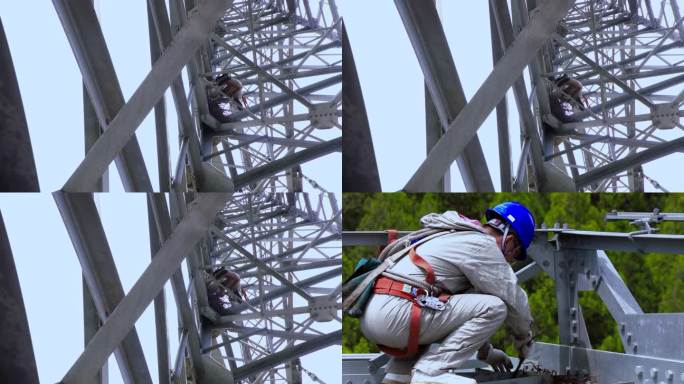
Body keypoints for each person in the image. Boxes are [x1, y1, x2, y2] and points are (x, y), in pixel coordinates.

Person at [358, 202, 536, 384]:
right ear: (510, 242)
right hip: (397, 313)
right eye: (514, 255)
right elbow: (513, 298)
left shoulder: (453, 234)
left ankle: (400, 371)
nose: (509, 261)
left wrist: (487, 353)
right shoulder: (482, 245)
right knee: (496, 307)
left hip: (376, 313)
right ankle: (430, 372)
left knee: (435, 302)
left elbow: (459, 314)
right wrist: (524, 340)